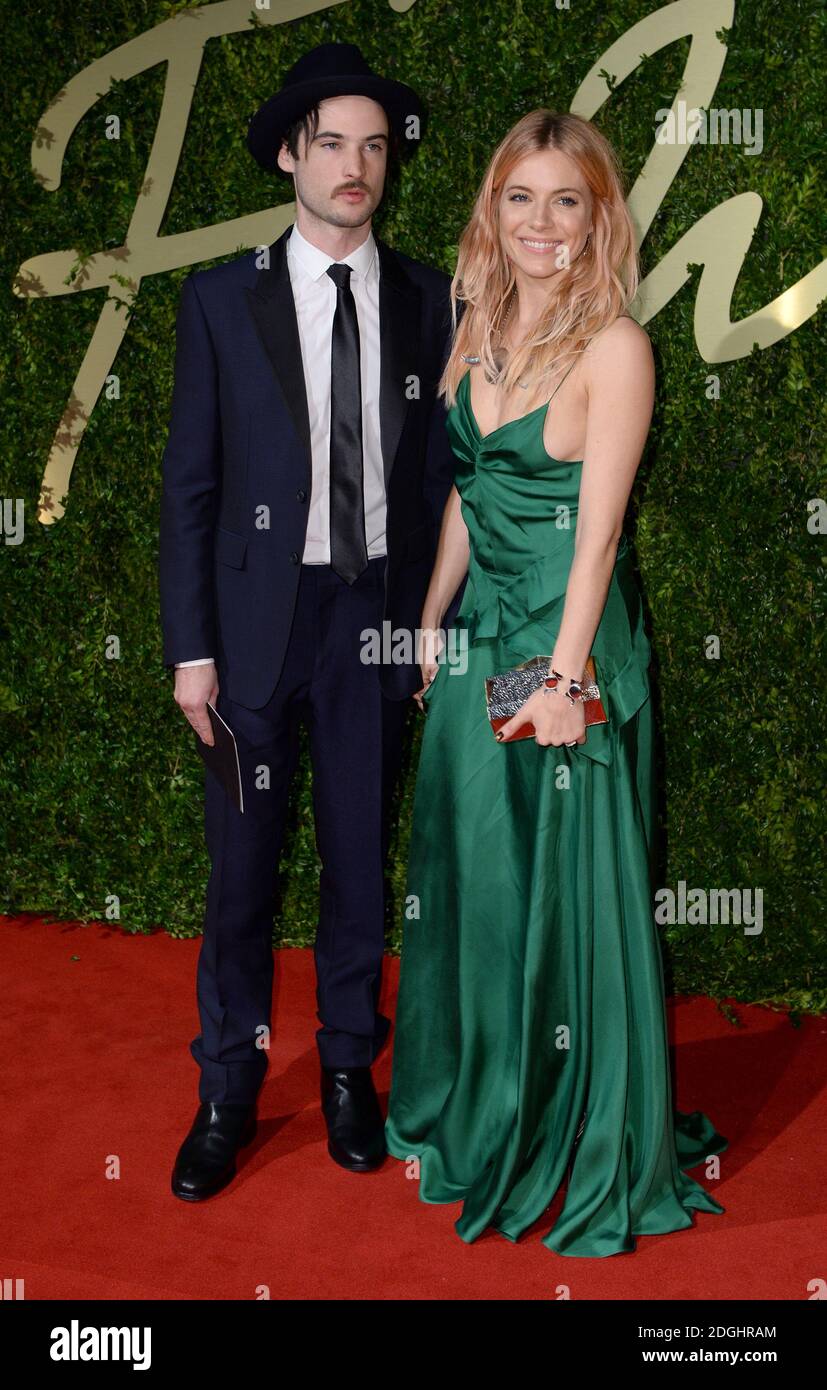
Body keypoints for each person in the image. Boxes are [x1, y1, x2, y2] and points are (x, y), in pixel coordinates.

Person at [384, 110, 728, 1257]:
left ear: (597, 217)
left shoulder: (615, 347)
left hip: (565, 655)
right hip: (480, 639)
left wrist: (560, 684)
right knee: (476, 890)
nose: (539, 222)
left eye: (564, 200)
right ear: (492, 207)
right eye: (519, 198)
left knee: (560, 910)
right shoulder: (473, 320)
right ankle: (482, 1111)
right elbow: (466, 498)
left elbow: (597, 539)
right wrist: (429, 624)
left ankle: (575, 1134)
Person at [159, 43, 459, 1201]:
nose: (355, 165)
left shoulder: (433, 297)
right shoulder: (220, 298)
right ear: (290, 153)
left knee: (354, 861)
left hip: (369, 617)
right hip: (247, 631)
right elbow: (189, 484)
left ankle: (347, 1070)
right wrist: (190, 648)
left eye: (374, 145)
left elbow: (441, 482)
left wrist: (434, 621)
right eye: (331, 142)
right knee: (239, 871)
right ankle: (226, 1089)